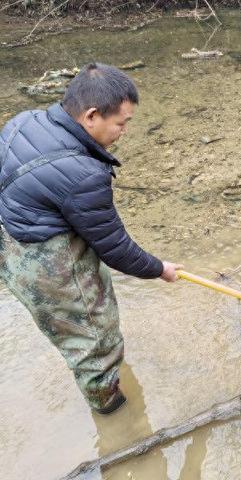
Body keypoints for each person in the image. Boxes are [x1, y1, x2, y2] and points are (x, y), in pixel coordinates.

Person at [0, 63, 183, 414]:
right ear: (91, 116)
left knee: (69, 332)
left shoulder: (24, 121)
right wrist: (160, 269)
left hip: (9, 242)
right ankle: (114, 415)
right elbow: (116, 250)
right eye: (121, 123)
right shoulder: (83, 176)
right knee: (95, 338)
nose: (125, 131)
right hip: (45, 262)